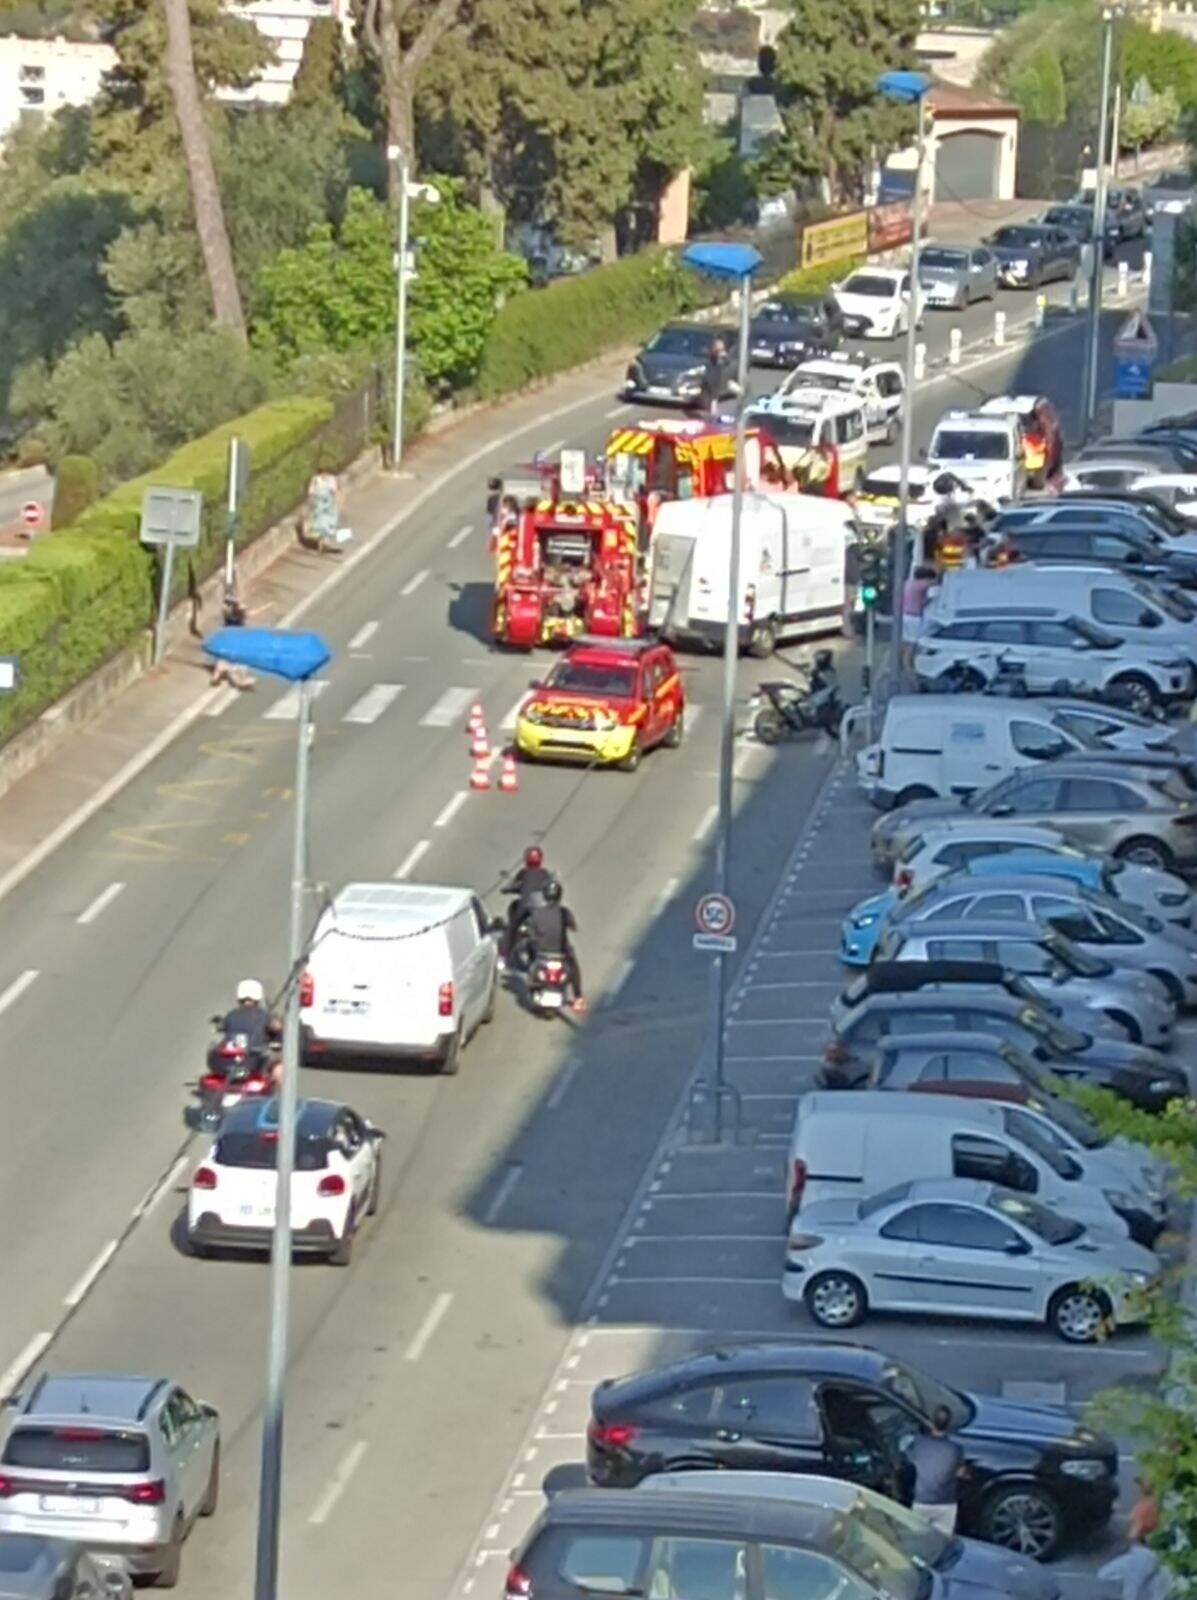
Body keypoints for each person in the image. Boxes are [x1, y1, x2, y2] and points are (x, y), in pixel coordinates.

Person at [525, 878, 586, 1013]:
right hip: (561, 952)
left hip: (542, 952)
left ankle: (532, 980)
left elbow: (530, 932)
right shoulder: (564, 912)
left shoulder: (537, 913)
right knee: (574, 966)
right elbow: (573, 927)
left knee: (529, 948)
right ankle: (578, 997)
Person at [904, 1406, 964, 1536]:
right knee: (942, 1542)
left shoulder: (919, 1444)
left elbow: (908, 1458)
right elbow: (960, 1472)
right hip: (946, 1503)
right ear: (949, 1425)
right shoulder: (955, 1449)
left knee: (917, 1540)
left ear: (931, 1423)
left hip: (922, 1501)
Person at [502, 846, 555, 964]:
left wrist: (507, 889)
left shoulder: (523, 873)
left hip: (526, 909)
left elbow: (513, 886)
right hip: (542, 912)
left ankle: (505, 955)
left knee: (512, 927)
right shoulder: (545, 873)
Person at [900, 563, 936, 674]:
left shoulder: (908, 583)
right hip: (914, 617)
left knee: (906, 642)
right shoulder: (922, 584)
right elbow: (933, 584)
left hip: (905, 615)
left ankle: (902, 664)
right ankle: (908, 667)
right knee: (913, 643)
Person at [698, 339, 735, 418]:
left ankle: (712, 412)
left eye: (722, 348)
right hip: (711, 374)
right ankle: (711, 411)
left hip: (717, 374)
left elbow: (727, 362)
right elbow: (711, 359)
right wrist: (719, 353)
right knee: (711, 393)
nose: (721, 350)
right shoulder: (712, 354)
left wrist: (724, 356)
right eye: (719, 348)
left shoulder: (721, 356)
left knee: (714, 394)